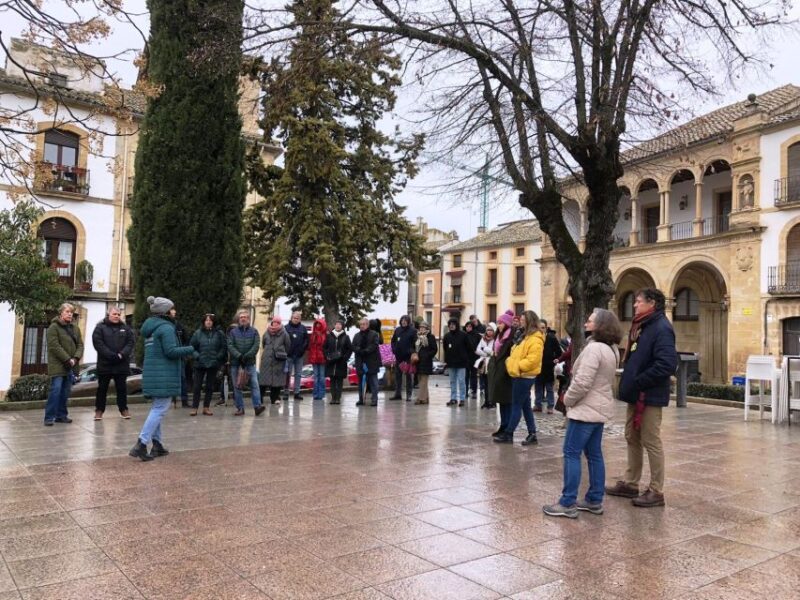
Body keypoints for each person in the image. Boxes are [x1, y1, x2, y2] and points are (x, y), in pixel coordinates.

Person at [543, 309, 623, 518]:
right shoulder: (611, 349)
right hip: (599, 408)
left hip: (585, 410)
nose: (586, 323)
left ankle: (567, 502)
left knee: (571, 453)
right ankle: (594, 499)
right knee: (594, 454)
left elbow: (583, 381)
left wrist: (567, 399)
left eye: (590, 321)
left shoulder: (594, 349)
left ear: (601, 326)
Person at [607, 288, 677, 508]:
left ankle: (656, 491)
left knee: (651, 440)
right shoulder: (643, 325)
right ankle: (631, 483)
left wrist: (639, 380)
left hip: (649, 395)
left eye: (638, 301)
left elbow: (666, 364)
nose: (635, 305)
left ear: (652, 304)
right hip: (636, 394)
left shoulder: (661, 328)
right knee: (631, 436)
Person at [130, 296, 196, 461]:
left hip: (154, 373)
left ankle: (157, 445)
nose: (175, 311)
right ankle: (141, 443)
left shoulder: (151, 328)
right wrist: (190, 348)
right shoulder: (166, 328)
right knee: (160, 408)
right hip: (164, 374)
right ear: (166, 311)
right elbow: (171, 351)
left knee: (157, 408)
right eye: (172, 309)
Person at [495, 310, 544, 446]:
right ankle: (532, 433)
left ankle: (509, 433)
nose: (520, 323)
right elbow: (515, 353)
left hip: (524, 376)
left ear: (529, 322)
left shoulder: (535, 339)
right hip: (519, 375)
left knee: (516, 405)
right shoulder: (524, 336)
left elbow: (532, 360)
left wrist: (515, 366)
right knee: (526, 406)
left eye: (523, 321)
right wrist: (510, 363)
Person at [44, 303, 84, 426]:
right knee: (55, 391)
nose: (69, 314)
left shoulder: (75, 328)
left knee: (65, 392)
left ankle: (61, 416)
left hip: (71, 365)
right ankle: (49, 417)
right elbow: (54, 346)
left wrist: (76, 358)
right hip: (58, 365)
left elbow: (80, 345)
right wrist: (68, 359)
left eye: (71, 312)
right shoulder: (53, 327)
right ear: (61, 313)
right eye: (67, 311)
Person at [92, 306, 135, 420]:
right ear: (108, 314)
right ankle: (99, 410)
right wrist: (111, 355)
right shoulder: (100, 328)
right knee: (102, 389)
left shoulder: (126, 328)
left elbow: (130, 343)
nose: (116, 316)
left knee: (122, 389)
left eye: (118, 314)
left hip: (121, 364)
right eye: (114, 314)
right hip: (105, 364)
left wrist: (122, 354)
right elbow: (98, 344)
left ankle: (123, 409)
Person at [227, 310, 265, 416]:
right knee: (237, 386)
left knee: (254, 384)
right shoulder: (233, 332)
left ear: (248, 319)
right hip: (236, 363)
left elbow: (256, 346)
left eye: (245, 317)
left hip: (249, 363)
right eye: (241, 317)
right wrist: (239, 356)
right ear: (238, 319)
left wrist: (247, 355)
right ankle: (240, 408)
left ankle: (257, 406)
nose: (243, 318)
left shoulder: (254, 331)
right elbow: (230, 345)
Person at [189, 314, 227, 416]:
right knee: (197, 386)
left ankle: (206, 407)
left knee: (209, 387)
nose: (208, 322)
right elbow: (191, 347)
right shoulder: (198, 333)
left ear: (213, 322)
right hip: (200, 363)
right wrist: (197, 356)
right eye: (206, 320)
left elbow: (223, 347)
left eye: (210, 320)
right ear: (203, 322)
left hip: (213, 363)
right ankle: (194, 408)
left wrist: (218, 357)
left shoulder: (219, 334)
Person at [489, 310, 515, 437]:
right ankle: (503, 425)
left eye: (501, 323)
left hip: (506, 371)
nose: (498, 325)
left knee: (507, 400)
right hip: (498, 369)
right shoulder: (498, 336)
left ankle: (507, 427)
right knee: (500, 400)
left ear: (506, 324)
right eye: (498, 323)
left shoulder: (511, 337)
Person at [259, 315, 292, 405]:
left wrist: (281, 353)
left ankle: (274, 398)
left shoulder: (284, 334)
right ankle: (259, 398)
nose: (276, 324)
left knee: (277, 381)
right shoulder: (266, 333)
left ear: (280, 323)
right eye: (274, 322)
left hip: (279, 360)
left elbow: (288, 346)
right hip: (266, 360)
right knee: (263, 380)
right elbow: (263, 344)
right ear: (272, 322)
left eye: (278, 322)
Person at [534, 319, 562, 414]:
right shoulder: (534, 338)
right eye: (539, 328)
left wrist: (553, 361)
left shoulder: (551, 338)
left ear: (546, 328)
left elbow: (559, 352)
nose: (541, 330)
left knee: (549, 388)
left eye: (542, 328)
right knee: (538, 386)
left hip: (548, 367)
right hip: (537, 366)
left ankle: (550, 406)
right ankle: (538, 405)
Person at [352, 317, 381, 406]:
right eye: (360, 324)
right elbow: (353, 346)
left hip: (371, 361)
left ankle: (374, 400)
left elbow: (375, 345)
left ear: (367, 325)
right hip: (360, 361)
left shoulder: (374, 334)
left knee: (373, 382)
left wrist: (366, 351)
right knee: (361, 382)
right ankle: (361, 399)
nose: (362, 326)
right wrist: (359, 350)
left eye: (364, 324)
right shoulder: (356, 335)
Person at [442, 317, 471, 407]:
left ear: (456, 325)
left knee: (461, 381)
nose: (451, 326)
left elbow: (469, 348)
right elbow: (445, 349)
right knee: (452, 381)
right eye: (450, 325)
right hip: (451, 363)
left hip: (461, 363)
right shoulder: (447, 336)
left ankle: (462, 399)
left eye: (453, 324)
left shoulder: (463, 335)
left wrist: (465, 358)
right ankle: (453, 398)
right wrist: (446, 361)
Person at [324, 319, 352, 404]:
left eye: (340, 324)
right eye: (336, 324)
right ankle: (333, 398)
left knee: (339, 381)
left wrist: (345, 358)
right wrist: (327, 356)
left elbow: (350, 349)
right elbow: (324, 348)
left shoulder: (346, 337)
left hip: (341, 363)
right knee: (332, 381)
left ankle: (338, 399)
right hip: (331, 363)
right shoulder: (329, 336)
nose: (338, 326)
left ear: (342, 326)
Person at [390, 315, 417, 401]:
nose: (403, 322)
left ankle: (409, 395)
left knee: (409, 377)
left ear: (408, 321)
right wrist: (394, 350)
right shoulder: (397, 330)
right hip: (399, 357)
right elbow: (393, 341)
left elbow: (415, 343)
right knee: (398, 376)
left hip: (408, 358)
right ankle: (398, 394)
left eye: (405, 320)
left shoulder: (413, 331)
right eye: (402, 320)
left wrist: (411, 351)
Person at [283, 311, 309, 401]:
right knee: (287, 374)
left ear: (300, 319)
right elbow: (283, 341)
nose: (296, 319)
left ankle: (297, 392)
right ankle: (286, 392)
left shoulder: (303, 328)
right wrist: (287, 351)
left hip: (299, 355)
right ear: (291, 318)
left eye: (297, 318)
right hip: (289, 355)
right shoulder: (286, 328)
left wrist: (303, 350)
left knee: (298, 374)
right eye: (294, 318)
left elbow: (306, 340)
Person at [413, 321, 438, 405]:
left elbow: (434, 349)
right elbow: (415, 348)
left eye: (423, 327)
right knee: (421, 381)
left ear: (427, 328)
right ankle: (426, 398)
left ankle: (420, 398)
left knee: (423, 381)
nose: (421, 328)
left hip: (426, 362)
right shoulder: (418, 337)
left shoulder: (431, 337)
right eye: (420, 327)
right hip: (418, 362)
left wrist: (427, 355)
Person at [474, 323, 495, 409]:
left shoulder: (495, 340)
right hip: (483, 364)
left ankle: (492, 401)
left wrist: (485, 349)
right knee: (485, 383)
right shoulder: (483, 339)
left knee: (491, 384)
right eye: (487, 330)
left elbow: (493, 352)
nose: (489, 332)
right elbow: (477, 350)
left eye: (490, 330)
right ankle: (486, 401)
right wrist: (485, 353)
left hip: (491, 363)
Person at [308, 317, 328, 401]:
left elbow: (326, 346)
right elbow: (310, 346)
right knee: (316, 377)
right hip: (314, 358)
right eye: (317, 324)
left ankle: (321, 394)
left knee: (322, 377)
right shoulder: (313, 334)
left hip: (322, 358)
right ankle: (316, 394)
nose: (318, 325)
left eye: (319, 324)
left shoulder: (325, 335)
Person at [464, 321, 482, 399]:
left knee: (474, 375)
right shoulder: (463, 335)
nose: (468, 328)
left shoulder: (477, 335)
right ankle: (465, 391)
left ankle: (474, 391)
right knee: (466, 376)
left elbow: (479, 346)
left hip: (474, 358)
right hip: (465, 358)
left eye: (470, 326)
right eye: (467, 326)